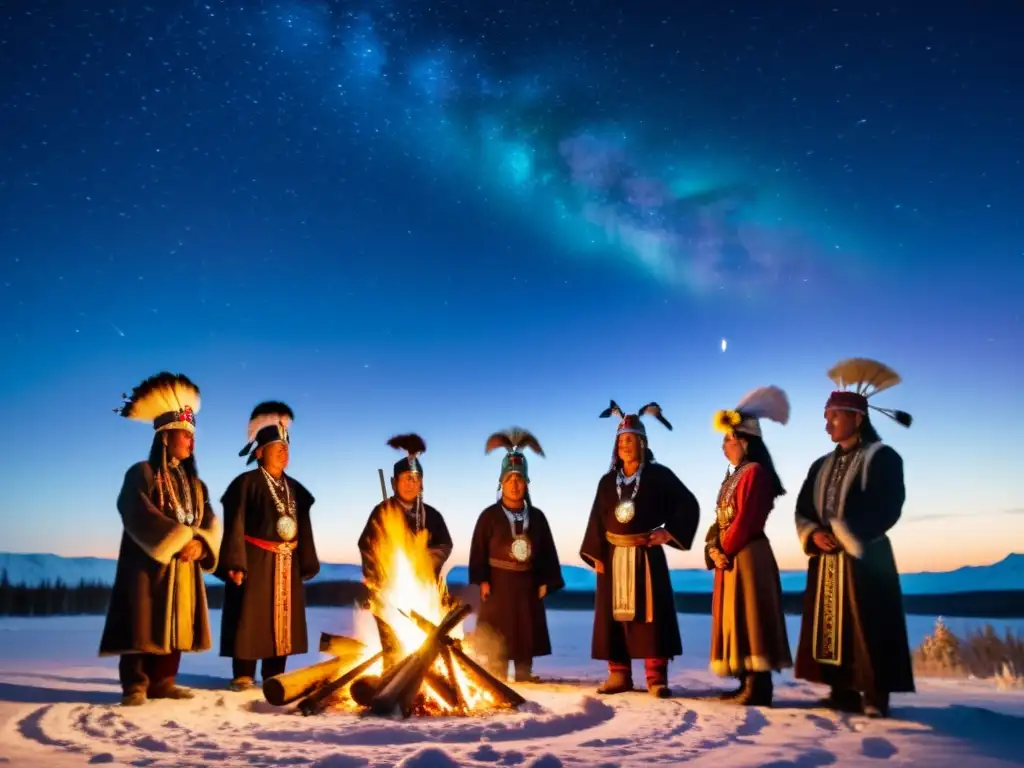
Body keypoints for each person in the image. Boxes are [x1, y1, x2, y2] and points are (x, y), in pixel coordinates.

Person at [793, 358, 916, 718]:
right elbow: (803, 507)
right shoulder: (820, 465)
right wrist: (814, 534)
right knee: (833, 624)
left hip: (867, 558)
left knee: (871, 624)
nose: (827, 423)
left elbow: (888, 505)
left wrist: (845, 535)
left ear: (857, 418)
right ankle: (841, 688)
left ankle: (876, 694)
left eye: (834, 415)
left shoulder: (882, 457)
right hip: (827, 559)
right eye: (826, 415)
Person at [99, 372, 222, 706]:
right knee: (143, 621)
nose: (191, 440)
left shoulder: (196, 485)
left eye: (192, 435)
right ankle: (136, 684)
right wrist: (178, 539)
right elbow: (134, 509)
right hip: (148, 565)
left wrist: (202, 544)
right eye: (185, 434)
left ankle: (164, 682)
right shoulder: (142, 472)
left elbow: (210, 520)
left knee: (178, 623)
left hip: (185, 566)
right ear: (166, 436)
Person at [579, 401, 701, 698]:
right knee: (613, 620)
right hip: (612, 556)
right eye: (621, 440)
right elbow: (597, 517)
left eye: (630, 439)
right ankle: (619, 675)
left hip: (646, 554)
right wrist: (596, 555)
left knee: (651, 618)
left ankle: (655, 677)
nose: (625, 445)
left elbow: (688, 504)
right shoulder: (607, 482)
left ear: (643, 443)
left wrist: (668, 532)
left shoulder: (660, 476)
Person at [218, 402, 320, 691]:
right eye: (278, 447)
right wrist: (235, 563)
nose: (284, 452)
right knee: (250, 617)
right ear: (260, 451)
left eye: (286, 447)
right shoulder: (246, 484)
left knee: (284, 622)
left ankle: (274, 673)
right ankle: (243, 673)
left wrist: (308, 561)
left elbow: (304, 526)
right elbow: (234, 524)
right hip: (255, 559)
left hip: (288, 562)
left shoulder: (295, 489)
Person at [705, 386, 793, 706]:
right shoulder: (732, 477)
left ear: (744, 441)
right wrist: (713, 547)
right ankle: (745, 679)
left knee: (752, 617)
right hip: (732, 556)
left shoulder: (755, 474)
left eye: (728, 440)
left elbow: (746, 520)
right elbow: (721, 519)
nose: (723, 447)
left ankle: (759, 685)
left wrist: (724, 550)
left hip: (748, 555)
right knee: (737, 617)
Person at [468, 428, 565, 682]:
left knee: (526, 631)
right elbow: (478, 549)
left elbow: (547, 551)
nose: (514, 484)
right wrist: (482, 579)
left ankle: (524, 673)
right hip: (498, 583)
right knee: (498, 632)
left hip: (528, 582)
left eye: (519, 480)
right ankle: (497, 674)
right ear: (501, 482)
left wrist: (546, 580)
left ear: (527, 483)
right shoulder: (489, 516)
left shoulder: (538, 517)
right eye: (509, 479)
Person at [357, 433, 453, 667]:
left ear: (421, 484)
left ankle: (424, 681)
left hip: (424, 591)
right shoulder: (382, 512)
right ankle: (391, 680)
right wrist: (382, 567)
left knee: (424, 646)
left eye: (415, 479)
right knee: (393, 646)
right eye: (405, 479)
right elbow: (366, 545)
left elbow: (444, 545)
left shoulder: (432, 515)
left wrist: (424, 559)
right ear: (394, 483)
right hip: (388, 590)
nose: (410, 484)